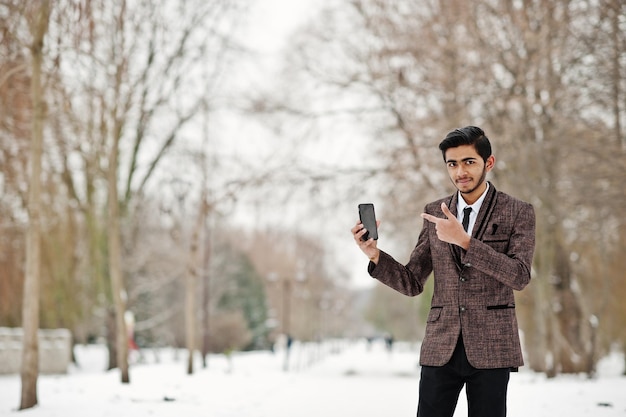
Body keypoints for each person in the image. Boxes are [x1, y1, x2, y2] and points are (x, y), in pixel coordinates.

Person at [351, 126, 535, 417]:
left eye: (469, 162)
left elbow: (520, 275)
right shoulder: (434, 212)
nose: (460, 171)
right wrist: (374, 255)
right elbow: (412, 281)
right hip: (441, 344)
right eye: (453, 163)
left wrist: (465, 241)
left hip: (493, 345)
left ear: (489, 162)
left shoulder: (517, 212)